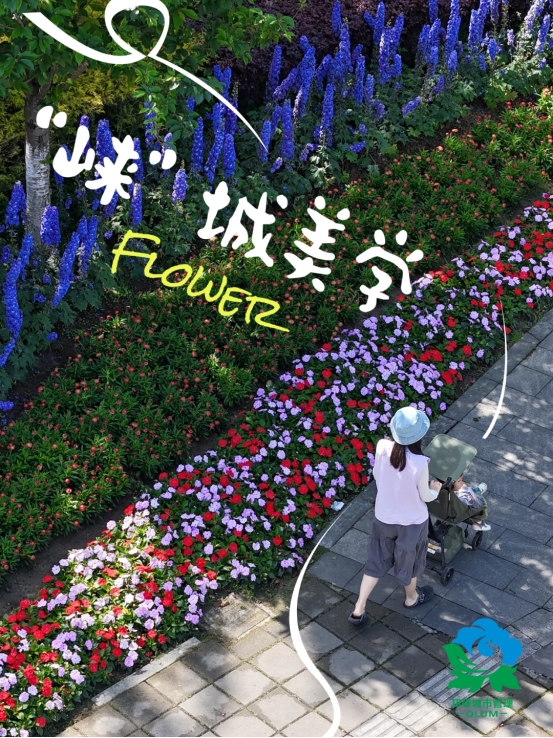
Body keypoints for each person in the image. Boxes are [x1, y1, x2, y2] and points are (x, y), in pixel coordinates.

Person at [348, 406, 441, 625]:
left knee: (376, 560)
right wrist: (435, 489)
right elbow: (425, 496)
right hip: (412, 522)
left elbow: (376, 475)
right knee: (409, 560)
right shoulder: (420, 463)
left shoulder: (382, 446)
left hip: (384, 517)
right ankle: (411, 597)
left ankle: (359, 607)